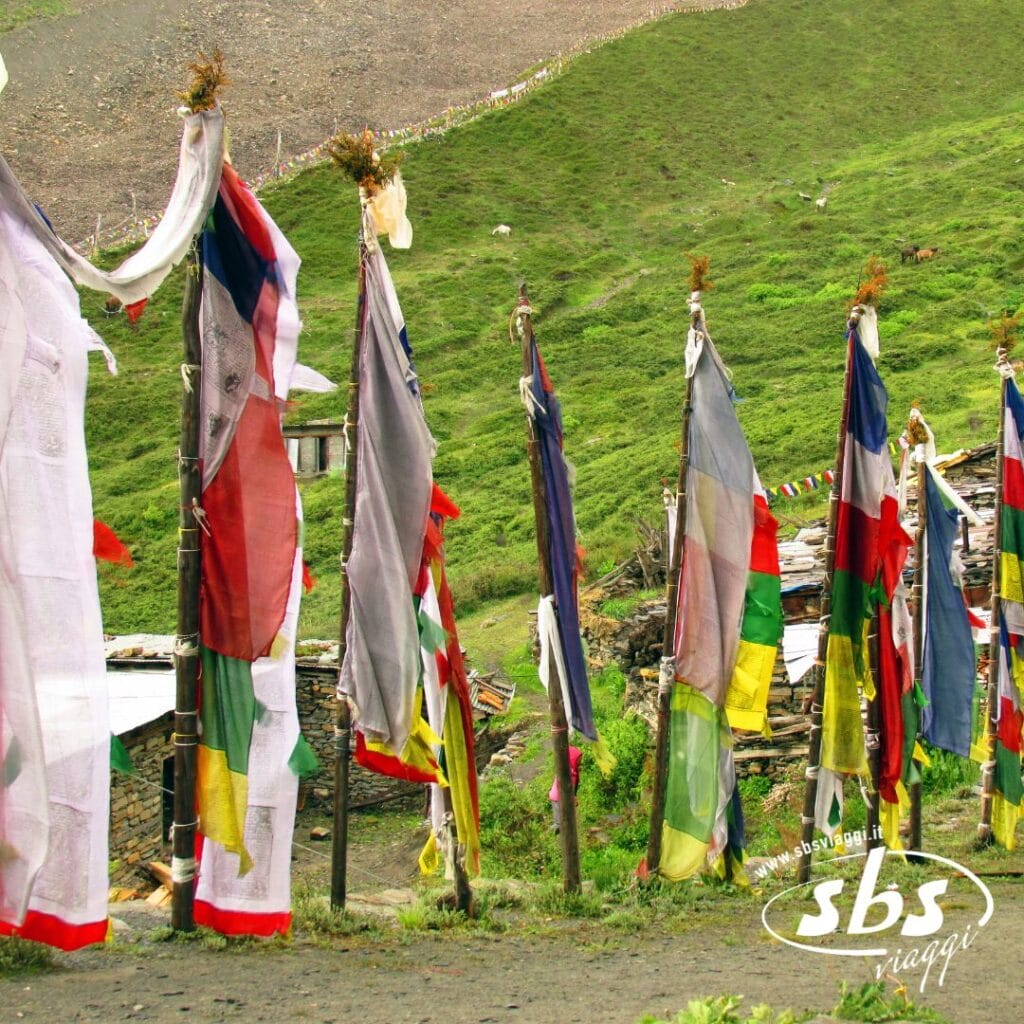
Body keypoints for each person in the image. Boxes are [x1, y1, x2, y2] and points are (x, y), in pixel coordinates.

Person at [549, 745, 582, 833]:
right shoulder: (567, 772)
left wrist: (574, 796)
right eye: (578, 759)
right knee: (559, 821)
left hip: (563, 797)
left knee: (564, 818)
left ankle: (563, 830)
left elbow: (574, 786)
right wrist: (572, 798)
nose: (580, 761)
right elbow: (567, 787)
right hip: (557, 797)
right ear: (572, 759)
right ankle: (553, 832)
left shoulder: (573, 770)